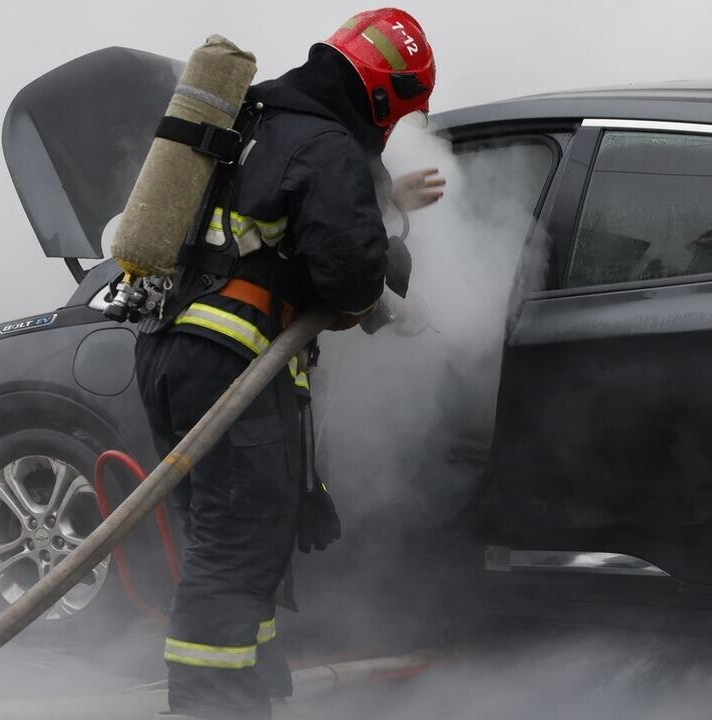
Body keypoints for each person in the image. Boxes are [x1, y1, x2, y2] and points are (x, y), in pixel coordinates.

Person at [135, 9, 442, 719]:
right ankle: (211, 707)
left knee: (241, 541)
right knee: (235, 548)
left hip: (172, 354)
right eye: (398, 112)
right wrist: (392, 275)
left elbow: (270, 223)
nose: (393, 129)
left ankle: (250, 695)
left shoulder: (259, 116)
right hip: (231, 365)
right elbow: (349, 279)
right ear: (381, 96)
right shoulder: (328, 144)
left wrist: (378, 201)